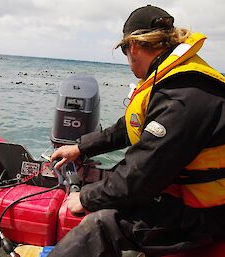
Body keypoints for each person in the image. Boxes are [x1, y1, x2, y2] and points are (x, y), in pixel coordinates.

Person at [48, 4, 225, 257]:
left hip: (202, 215)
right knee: (112, 182)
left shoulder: (184, 96)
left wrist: (85, 198)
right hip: (186, 196)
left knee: (100, 226)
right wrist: (81, 147)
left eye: (124, 51)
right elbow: (130, 127)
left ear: (132, 47)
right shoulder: (177, 80)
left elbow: (142, 176)